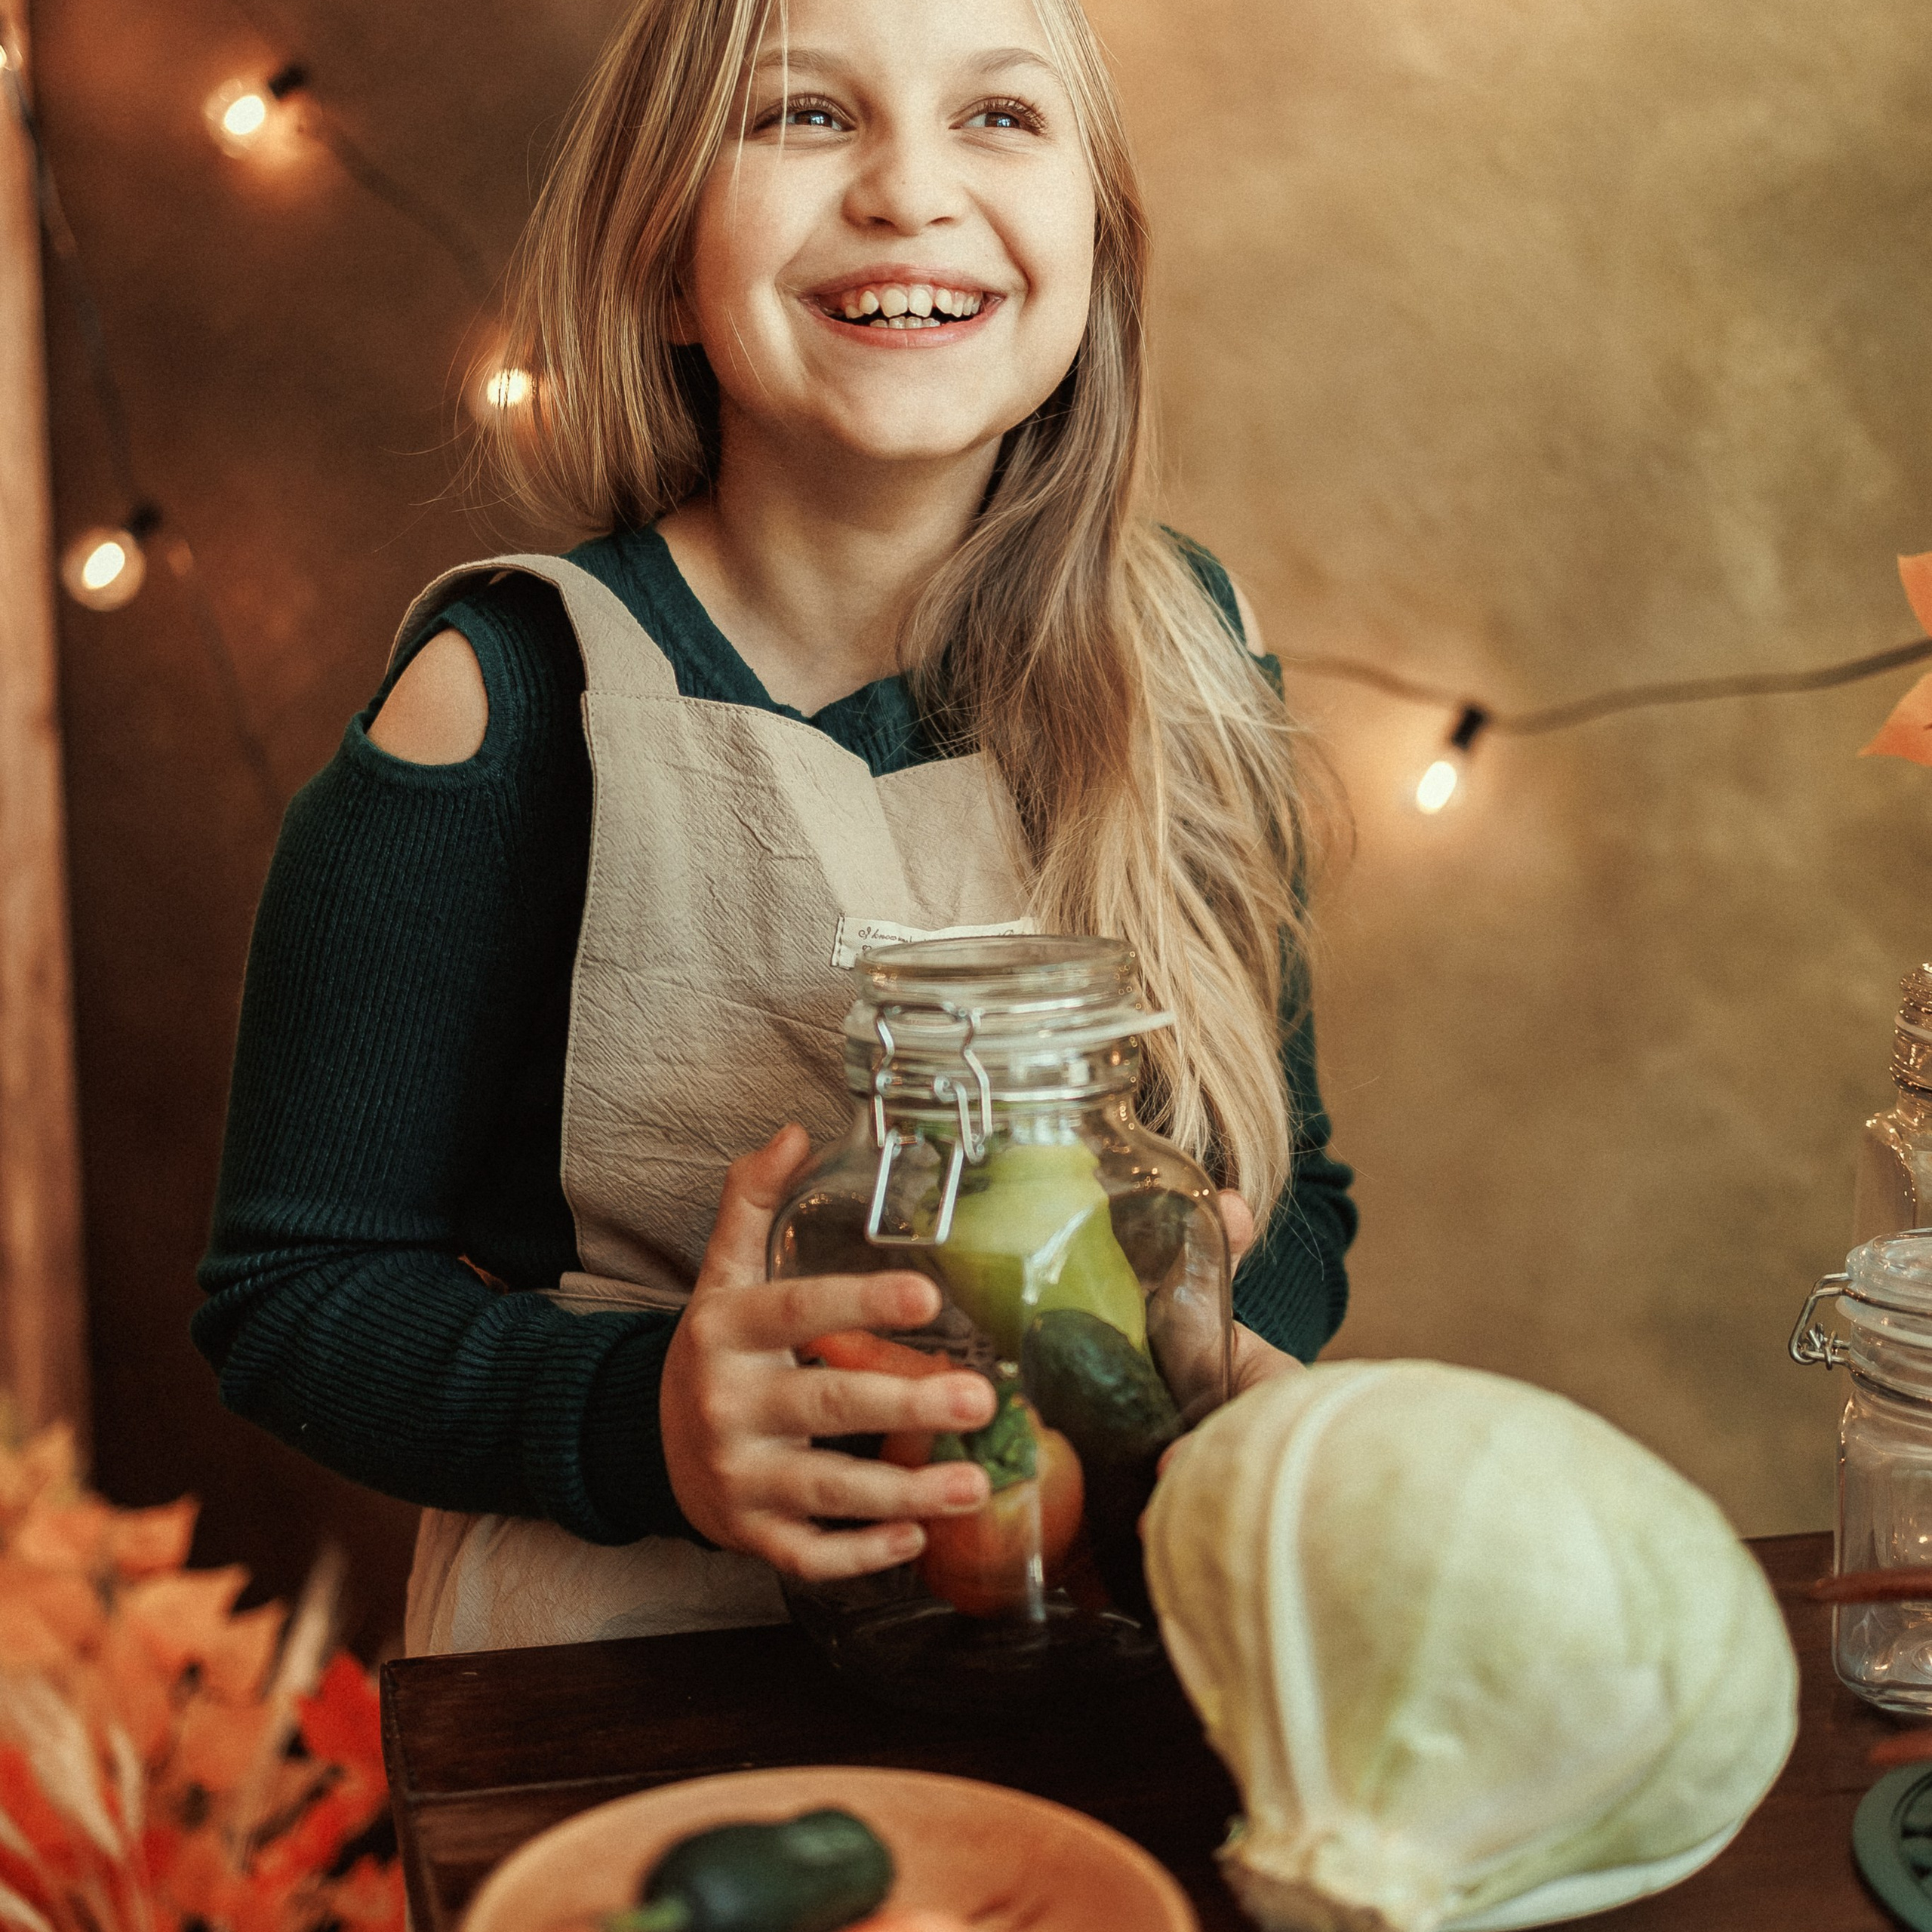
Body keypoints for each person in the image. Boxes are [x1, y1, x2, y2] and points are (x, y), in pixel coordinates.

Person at [195, 0, 1357, 1655]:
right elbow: (289, 1296)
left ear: (1096, 241)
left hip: (1103, 1638)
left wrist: (1199, 1340)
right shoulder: (501, 702)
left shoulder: (1195, 661)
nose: (907, 191)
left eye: (1001, 119)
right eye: (805, 117)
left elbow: (1295, 1185)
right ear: (666, 257)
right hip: (622, 1673)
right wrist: (638, 1418)